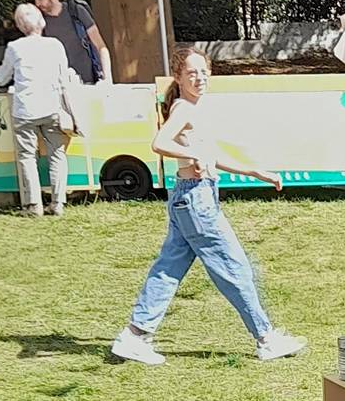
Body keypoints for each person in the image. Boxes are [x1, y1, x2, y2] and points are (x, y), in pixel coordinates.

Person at [111, 48, 306, 367]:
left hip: (189, 198)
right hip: (196, 201)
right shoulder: (184, 108)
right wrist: (193, 158)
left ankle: (134, 337)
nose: (199, 78)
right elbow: (159, 143)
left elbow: (210, 155)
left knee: (168, 269)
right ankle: (266, 339)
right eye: (191, 73)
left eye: (203, 72)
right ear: (178, 77)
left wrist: (254, 172)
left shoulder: (193, 108)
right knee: (235, 266)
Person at [0, 3, 72, 217]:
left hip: (24, 109)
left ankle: (34, 205)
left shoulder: (15, 47)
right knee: (57, 154)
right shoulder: (55, 45)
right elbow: (64, 77)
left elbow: (2, 77)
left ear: (19, 25)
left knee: (27, 156)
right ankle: (58, 203)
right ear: (42, 22)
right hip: (51, 106)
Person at [27, 0, 112, 85]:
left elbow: (100, 46)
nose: (37, 4)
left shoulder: (76, 11)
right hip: (58, 86)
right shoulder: (39, 22)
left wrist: (107, 79)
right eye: (35, 0)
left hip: (88, 82)